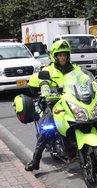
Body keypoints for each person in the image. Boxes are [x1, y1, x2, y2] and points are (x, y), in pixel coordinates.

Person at [25, 40, 83, 171]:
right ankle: (35, 160)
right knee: (46, 128)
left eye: (65, 55)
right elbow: (42, 81)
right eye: (60, 55)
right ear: (55, 56)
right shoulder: (48, 70)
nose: (63, 57)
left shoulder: (75, 69)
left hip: (73, 103)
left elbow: (84, 79)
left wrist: (94, 85)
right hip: (54, 104)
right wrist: (45, 88)